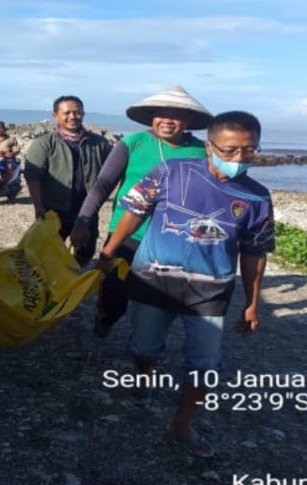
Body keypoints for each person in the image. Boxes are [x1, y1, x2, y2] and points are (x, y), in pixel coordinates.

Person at [96, 111, 275, 458]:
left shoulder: (257, 197)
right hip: (154, 280)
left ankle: (182, 422)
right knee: (144, 346)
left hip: (210, 290)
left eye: (249, 151)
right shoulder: (169, 173)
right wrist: (108, 251)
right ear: (209, 146)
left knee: (205, 364)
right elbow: (134, 212)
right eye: (230, 149)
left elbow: (255, 253)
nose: (239, 158)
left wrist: (253, 302)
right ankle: (143, 380)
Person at [71, 86, 212, 338]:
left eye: (175, 115)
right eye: (161, 113)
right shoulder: (133, 143)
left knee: (155, 295)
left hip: (172, 236)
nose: (167, 120)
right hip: (126, 232)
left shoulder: (201, 151)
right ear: (151, 117)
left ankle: (146, 347)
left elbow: (209, 194)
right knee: (115, 289)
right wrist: (83, 220)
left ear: (188, 120)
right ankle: (107, 318)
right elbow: (102, 185)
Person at [24, 95, 114, 266]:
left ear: (83, 114)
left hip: (87, 210)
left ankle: (72, 282)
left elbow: (112, 173)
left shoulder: (99, 143)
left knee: (85, 252)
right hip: (54, 208)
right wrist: (38, 205)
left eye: (77, 112)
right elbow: (32, 174)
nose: (72, 117)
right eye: (67, 113)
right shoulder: (44, 143)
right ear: (55, 116)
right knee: (48, 253)